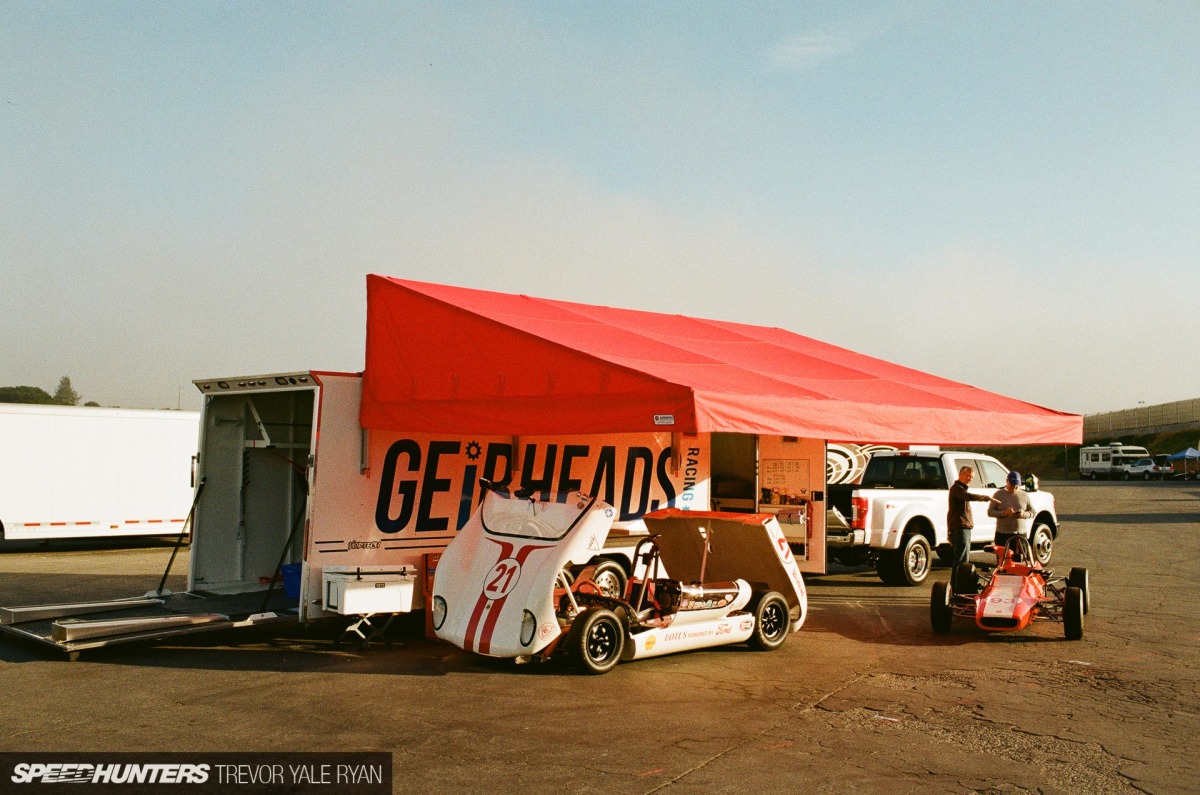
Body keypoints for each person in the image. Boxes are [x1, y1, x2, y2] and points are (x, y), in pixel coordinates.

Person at [947, 465, 991, 568]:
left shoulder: (959, 489)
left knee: (961, 559)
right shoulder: (957, 489)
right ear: (960, 474)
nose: (970, 479)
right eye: (968, 476)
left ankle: (957, 582)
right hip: (961, 529)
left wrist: (949, 530)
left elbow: (950, 512)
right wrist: (985, 498)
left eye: (972, 477)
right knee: (962, 561)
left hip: (961, 528)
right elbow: (968, 496)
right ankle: (958, 583)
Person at [989, 470, 1035, 550]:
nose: (1014, 487)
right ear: (1007, 481)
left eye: (1017, 485)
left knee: (1019, 560)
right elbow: (990, 512)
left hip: (1020, 534)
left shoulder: (1024, 495)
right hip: (1002, 534)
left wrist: (1023, 514)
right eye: (1012, 485)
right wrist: (1004, 513)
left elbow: (1033, 512)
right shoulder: (998, 494)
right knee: (1003, 560)